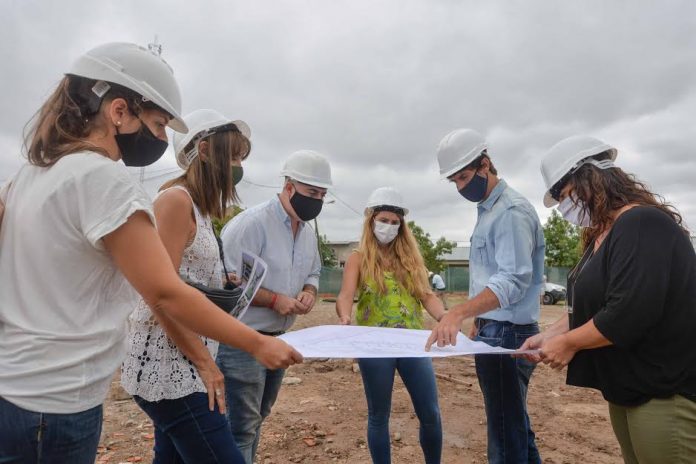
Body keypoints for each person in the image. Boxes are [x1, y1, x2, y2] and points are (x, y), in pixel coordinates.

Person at [0, 43, 301, 463]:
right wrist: (256, 343)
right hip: (58, 400)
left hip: (15, 391)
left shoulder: (29, 176)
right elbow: (163, 293)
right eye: (159, 124)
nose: (162, 139)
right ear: (119, 111)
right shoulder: (103, 179)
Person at [519, 135, 696, 463]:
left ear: (590, 178)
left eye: (565, 195)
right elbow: (590, 305)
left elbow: (630, 312)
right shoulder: (604, 235)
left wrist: (570, 344)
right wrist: (551, 335)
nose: (563, 208)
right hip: (628, 389)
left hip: (664, 392)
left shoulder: (642, 223)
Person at [121, 109, 254, 462]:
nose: (239, 165)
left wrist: (221, 282)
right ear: (206, 150)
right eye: (235, 155)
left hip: (188, 358)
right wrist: (206, 364)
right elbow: (159, 295)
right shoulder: (176, 202)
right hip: (170, 364)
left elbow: (183, 275)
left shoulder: (201, 208)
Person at [426, 129, 545, 464]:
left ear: (486, 165)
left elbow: (513, 280)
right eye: (455, 181)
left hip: (509, 334)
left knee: (505, 436)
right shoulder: (489, 210)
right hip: (495, 329)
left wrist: (457, 313)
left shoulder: (509, 212)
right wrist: (480, 317)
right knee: (513, 423)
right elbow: (490, 276)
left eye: (464, 176)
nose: (462, 186)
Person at [216, 150, 331, 464]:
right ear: (289, 186)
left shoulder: (307, 233)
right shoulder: (251, 224)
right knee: (240, 426)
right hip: (243, 339)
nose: (317, 200)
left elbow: (314, 272)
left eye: (322, 194)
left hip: (279, 340)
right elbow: (228, 280)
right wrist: (274, 299)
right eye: (311, 193)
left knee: (257, 418)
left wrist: (309, 291)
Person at [336, 187, 446, 464]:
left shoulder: (410, 260)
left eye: (395, 223)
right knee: (378, 415)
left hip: (412, 343)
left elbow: (426, 295)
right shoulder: (357, 258)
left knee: (430, 413)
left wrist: (447, 319)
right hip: (374, 344)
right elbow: (346, 295)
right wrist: (345, 318)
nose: (390, 226)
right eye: (384, 220)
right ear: (371, 220)